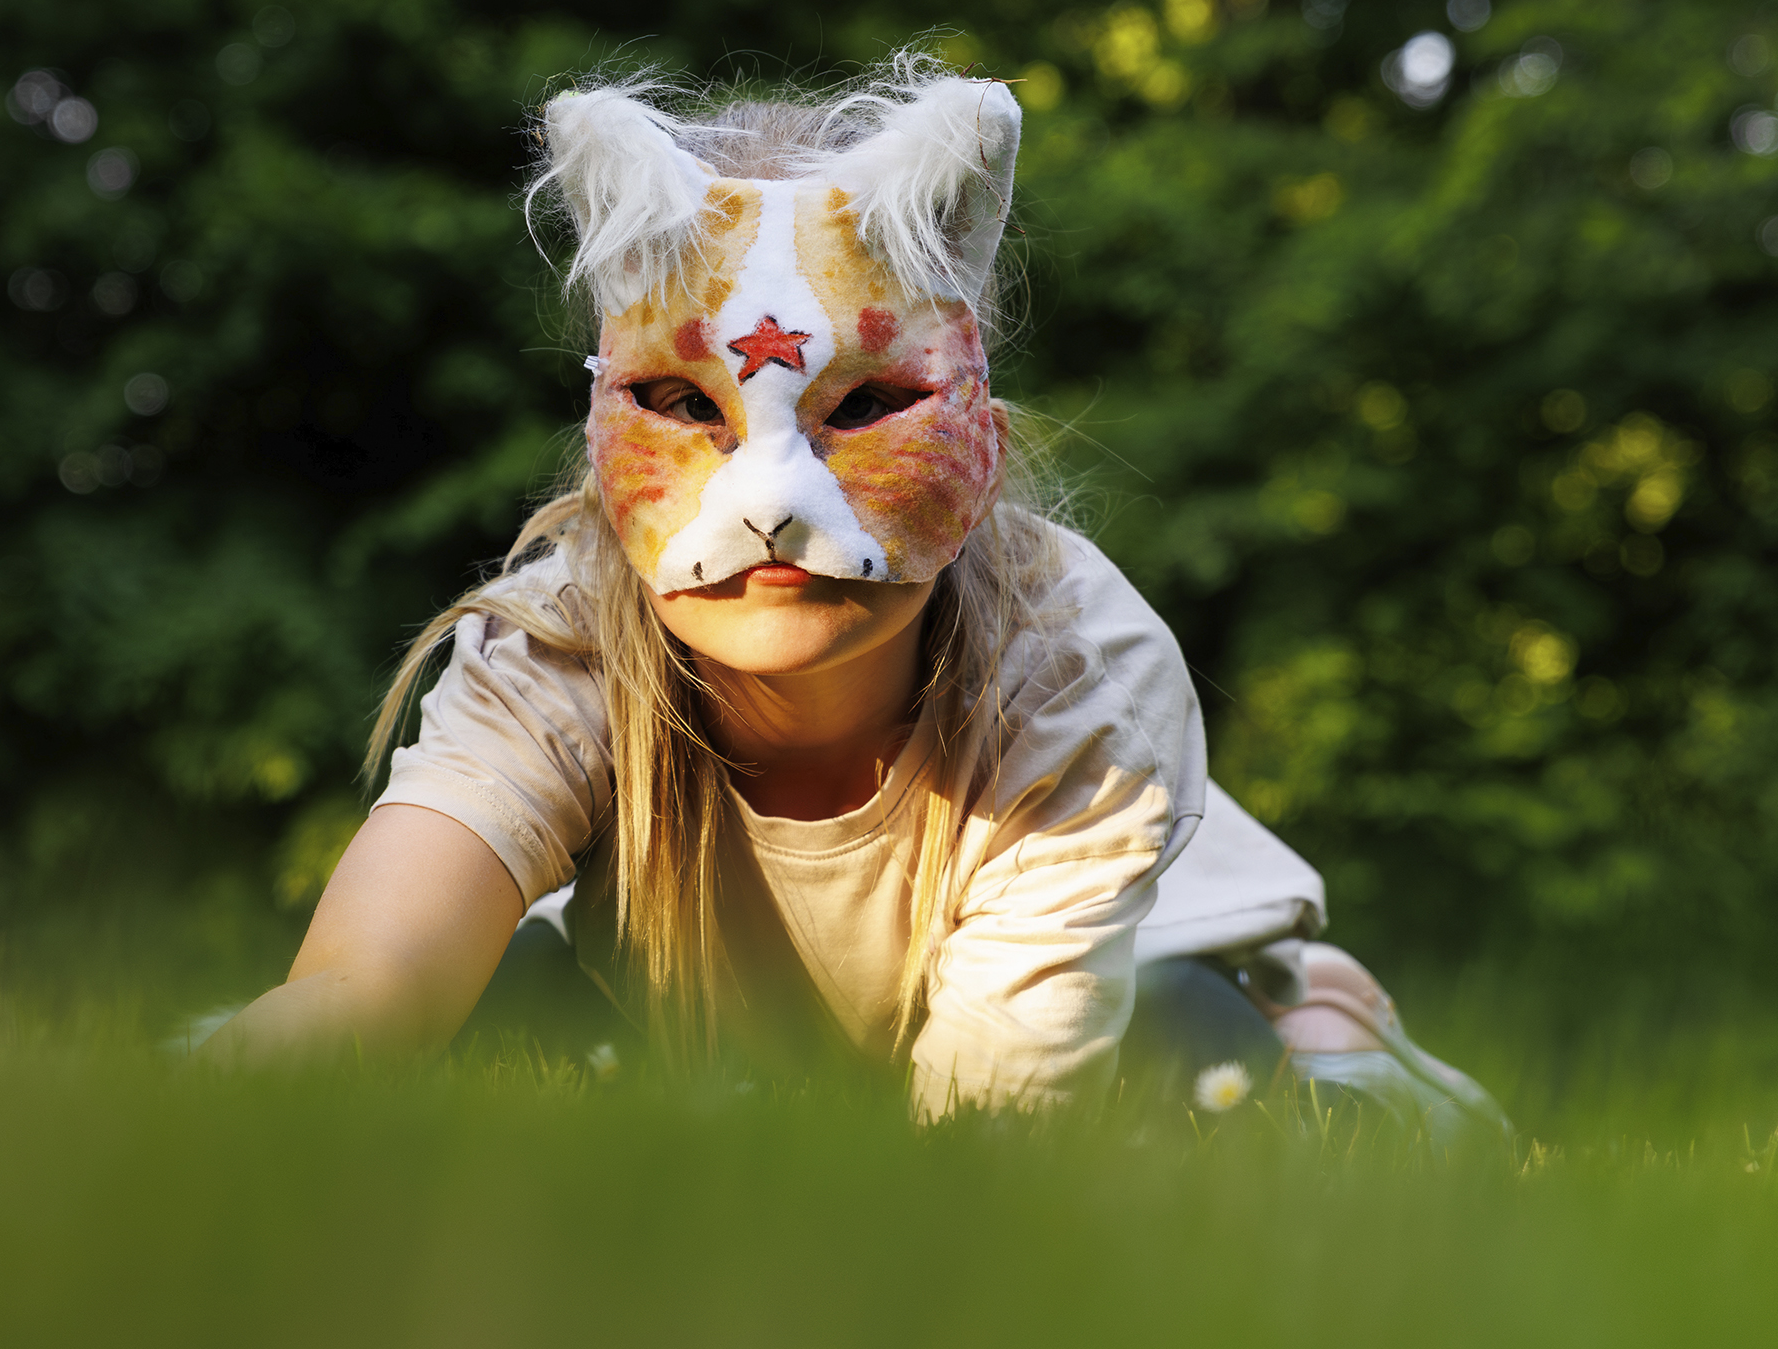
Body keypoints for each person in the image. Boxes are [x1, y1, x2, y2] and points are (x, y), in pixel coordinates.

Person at [204, 57, 1502, 1135]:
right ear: (607, 444)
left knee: (1209, 1079)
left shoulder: (1080, 673)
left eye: (869, 408)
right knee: (511, 1012)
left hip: (1139, 958)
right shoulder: (554, 649)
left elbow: (984, 1150)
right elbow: (359, 1002)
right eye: (681, 407)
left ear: (980, 441)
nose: (769, 496)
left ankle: (1322, 1007)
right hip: (707, 1012)